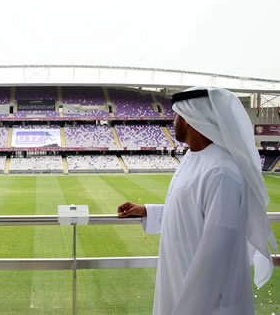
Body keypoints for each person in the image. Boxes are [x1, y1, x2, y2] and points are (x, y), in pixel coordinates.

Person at [118, 87, 276, 315]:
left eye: (177, 115)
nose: (174, 122)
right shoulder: (193, 157)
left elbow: (216, 255)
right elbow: (188, 212)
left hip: (206, 302)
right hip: (179, 283)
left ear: (191, 119)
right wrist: (147, 211)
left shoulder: (222, 172)